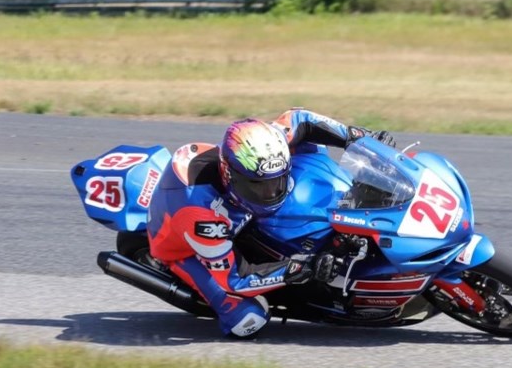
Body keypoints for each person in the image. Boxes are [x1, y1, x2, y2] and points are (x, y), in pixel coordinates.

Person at [146, 108, 396, 338]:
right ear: (229, 175)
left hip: (236, 211)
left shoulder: (264, 146)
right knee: (247, 321)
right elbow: (235, 279)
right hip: (185, 247)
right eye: (260, 187)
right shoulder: (202, 215)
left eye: (276, 182)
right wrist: (299, 268)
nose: (271, 193)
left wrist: (356, 137)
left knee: (310, 147)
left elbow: (300, 119)